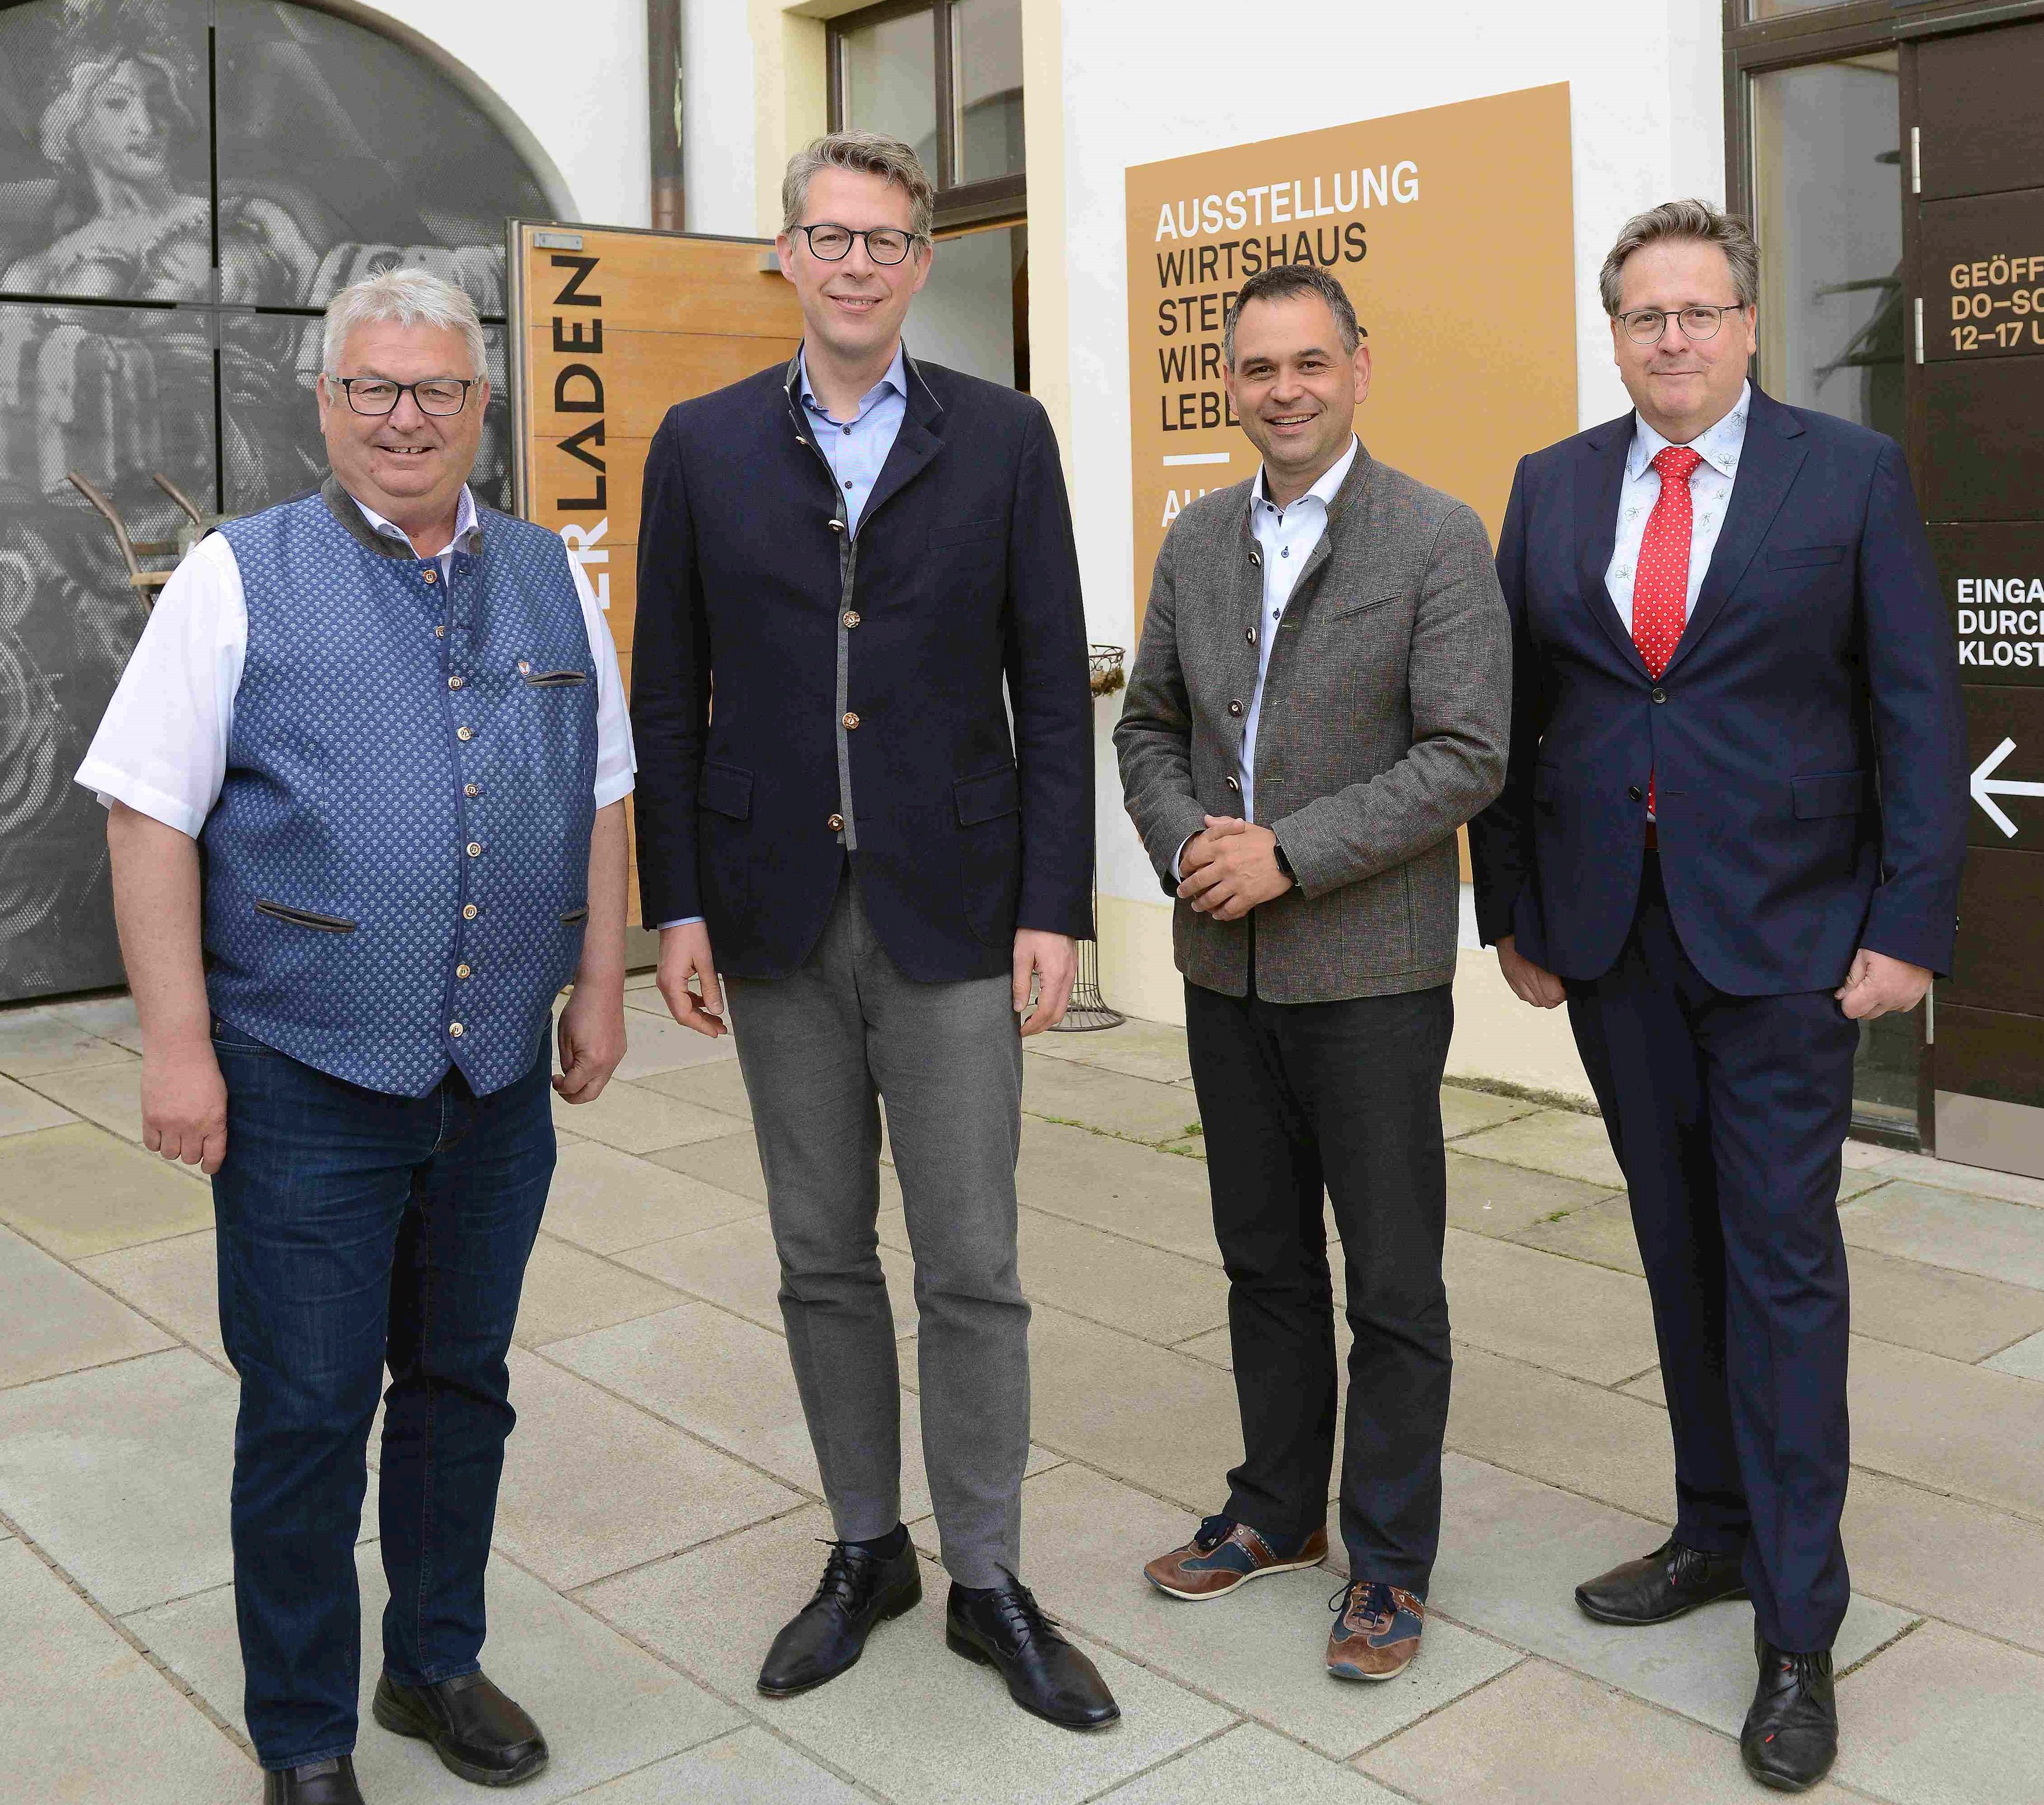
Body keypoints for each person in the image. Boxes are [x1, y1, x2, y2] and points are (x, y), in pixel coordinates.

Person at [74, 268, 636, 1805]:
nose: (405, 417)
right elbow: (146, 816)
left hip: (494, 1077)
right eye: (374, 389)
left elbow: (601, 792)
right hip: (301, 1073)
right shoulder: (235, 576)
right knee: (311, 1413)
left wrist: (600, 985)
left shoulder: (550, 574)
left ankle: (434, 1664)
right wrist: (176, 1051)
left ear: (480, 406)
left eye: (437, 390)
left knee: (463, 1384)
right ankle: (305, 1735)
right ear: (324, 404)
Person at [1468, 199, 1967, 1793]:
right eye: (1642, 315)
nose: (1671, 339)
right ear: (1612, 333)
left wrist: (1909, 926)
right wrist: (1513, 914)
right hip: (1615, 942)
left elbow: (1915, 714)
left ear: (1748, 327)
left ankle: (1799, 1627)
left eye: (1698, 312)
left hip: (1790, 949)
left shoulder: (1851, 477)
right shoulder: (1552, 488)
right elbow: (1514, 721)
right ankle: (1714, 1528)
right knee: (1677, 1249)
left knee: (1780, 1266)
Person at [630, 130, 1116, 1731]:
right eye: (827, 236)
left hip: (960, 912)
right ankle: (865, 1548)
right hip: (772, 916)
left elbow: (1052, 687)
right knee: (821, 1256)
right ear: (786, 254)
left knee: (973, 1263)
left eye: (885, 240)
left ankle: (986, 1574)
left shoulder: (1002, 437)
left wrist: (1058, 905)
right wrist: (676, 903)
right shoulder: (701, 447)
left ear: (922, 262)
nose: (854, 263)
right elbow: (667, 694)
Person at [1115, 264, 1510, 1681]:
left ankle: (1389, 1563)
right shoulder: (1200, 535)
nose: (1282, 389)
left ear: (1358, 366)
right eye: (1258, 368)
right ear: (1230, 382)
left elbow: (1467, 753)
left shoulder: (1435, 537)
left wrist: (1290, 851)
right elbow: (1148, 726)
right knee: (1261, 1258)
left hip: (1371, 975)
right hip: (1229, 972)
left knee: (1393, 1279)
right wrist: (1188, 848)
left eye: (1308, 364)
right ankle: (1277, 1513)